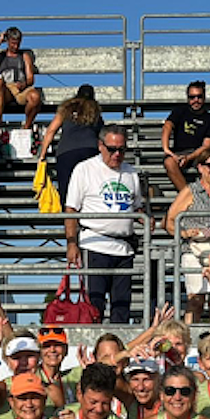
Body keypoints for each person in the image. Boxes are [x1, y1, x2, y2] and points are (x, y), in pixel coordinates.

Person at [65, 125, 146, 325]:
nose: (117, 154)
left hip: (124, 248)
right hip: (95, 243)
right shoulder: (84, 169)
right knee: (95, 305)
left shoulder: (130, 172)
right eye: (112, 149)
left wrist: (144, 218)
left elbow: (136, 207)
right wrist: (71, 243)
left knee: (121, 306)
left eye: (122, 149)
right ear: (100, 146)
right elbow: (71, 210)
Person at [165, 149, 210, 324]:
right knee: (196, 300)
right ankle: (188, 340)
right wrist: (184, 233)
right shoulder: (190, 191)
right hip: (195, 252)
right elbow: (168, 222)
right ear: (200, 167)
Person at [37, 85, 103, 205]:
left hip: (67, 152)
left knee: (67, 192)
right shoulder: (95, 111)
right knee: (89, 190)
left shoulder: (66, 109)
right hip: (90, 151)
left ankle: (69, 221)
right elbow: (102, 134)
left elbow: (51, 130)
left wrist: (42, 154)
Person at [161, 80, 210, 192]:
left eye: (199, 97)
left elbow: (206, 145)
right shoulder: (179, 111)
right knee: (169, 162)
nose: (195, 100)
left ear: (204, 97)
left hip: (200, 155)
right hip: (179, 152)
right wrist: (166, 149)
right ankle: (189, 197)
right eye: (192, 97)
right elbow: (167, 126)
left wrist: (188, 158)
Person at [0, 27, 42, 128]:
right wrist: (0, 40)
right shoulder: (1, 56)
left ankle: (27, 126)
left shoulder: (24, 56)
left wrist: (24, 84)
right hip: (6, 89)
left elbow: (30, 78)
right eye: (13, 43)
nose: (15, 46)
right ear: (8, 41)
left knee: (35, 97)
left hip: (20, 88)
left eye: (18, 43)